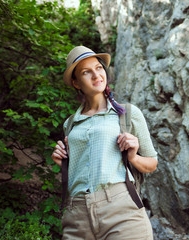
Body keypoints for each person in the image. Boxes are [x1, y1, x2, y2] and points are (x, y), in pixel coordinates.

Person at [51, 46, 158, 240]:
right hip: (77, 214)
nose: (96, 75)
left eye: (98, 68)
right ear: (76, 82)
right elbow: (79, 170)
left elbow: (152, 164)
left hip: (122, 211)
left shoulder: (127, 114)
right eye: (86, 72)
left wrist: (133, 156)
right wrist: (63, 162)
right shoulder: (70, 124)